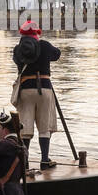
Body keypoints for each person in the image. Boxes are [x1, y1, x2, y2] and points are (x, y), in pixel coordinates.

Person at [12, 20, 62, 168]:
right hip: (45, 89)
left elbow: (16, 61)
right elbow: (57, 54)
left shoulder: (17, 50)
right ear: (37, 33)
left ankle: (25, 162)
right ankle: (44, 160)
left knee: (25, 127)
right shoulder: (45, 45)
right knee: (44, 126)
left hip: (25, 89)